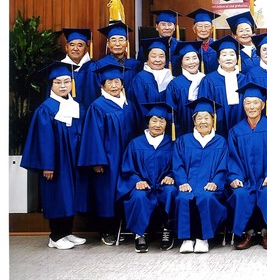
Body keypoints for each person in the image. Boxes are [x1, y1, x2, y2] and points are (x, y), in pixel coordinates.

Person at [21, 62, 86, 250]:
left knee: (70, 195)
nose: (63, 86)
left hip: (72, 159)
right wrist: (47, 165)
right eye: (58, 82)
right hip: (56, 161)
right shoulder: (46, 109)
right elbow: (44, 140)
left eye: (67, 81)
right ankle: (55, 236)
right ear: (51, 85)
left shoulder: (74, 105)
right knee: (57, 195)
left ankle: (67, 232)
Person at [77, 60, 138, 245]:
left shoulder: (128, 105)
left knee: (125, 189)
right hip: (108, 159)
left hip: (126, 157)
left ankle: (123, 227)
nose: (114, 85)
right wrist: (97, 161)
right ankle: (106, 230)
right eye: (109, 82)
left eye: (117, 81)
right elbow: (92, 136)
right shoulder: (98, 106)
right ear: (102, 85)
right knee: (106, 193)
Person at [226, 83, 267, 251]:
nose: (251, 107)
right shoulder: (235, 131)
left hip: (266, 178)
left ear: (263, 105)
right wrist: (235, 177)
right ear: (243, 106)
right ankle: (248, 233)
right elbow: (233, 158)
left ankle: (266, 233)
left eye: (255, 102)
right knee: (241, 194)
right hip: (246, 179)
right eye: (248, 103)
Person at [117, 102, 177, 253]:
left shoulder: (172, 144)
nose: (158, 125)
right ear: (148, 122)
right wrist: (137, 181)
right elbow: (127, 169)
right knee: (138, 196)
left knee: (171, 192)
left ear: (167, 124)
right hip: (143, 185)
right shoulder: (135, 144)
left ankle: (167, 229)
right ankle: (140, 233)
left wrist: (171, 176)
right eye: (154, 120)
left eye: (162, 121)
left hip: (163, 185)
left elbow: (178, 166)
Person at [173, 99, 229, 254]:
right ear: (194, 121)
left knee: (207, 197)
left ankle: (203, 238)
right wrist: (182, 182)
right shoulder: (183, 141)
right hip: (188, 184)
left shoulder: (220, 142)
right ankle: (187, 238)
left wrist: (216, 182)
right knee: (183, 197)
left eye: (206, 118)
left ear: (213, 120)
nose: (203, 122)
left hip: (210, 186)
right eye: (199, 118)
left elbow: (223, 167)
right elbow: (177, 165)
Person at [197, 35, 248, 136]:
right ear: (218, 60)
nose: (228, 58)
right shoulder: (209, 80)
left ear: (237, 58)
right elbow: (205, 108)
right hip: (218, 127)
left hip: (242, 127)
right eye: (224, 55)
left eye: (232, 54)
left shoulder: (244, 79)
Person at [90, 22, 141, 101]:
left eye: (121, 39)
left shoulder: (135, 65)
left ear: (126, 43)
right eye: (113, 40)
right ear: (108, 44)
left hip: (131, 107)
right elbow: (95, 93)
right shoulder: (99, 65)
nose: (117, 44)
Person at [131, 37, 174, 130]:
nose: (157, 60)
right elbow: (140, 107)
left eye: (161, 56)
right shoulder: (140, 79)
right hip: (147, 128)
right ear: (147, 58)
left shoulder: (171, 78)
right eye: (153, 56)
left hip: (169, 127)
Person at [165, 40, 206, 136]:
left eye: (194, 58)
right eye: (187, 59)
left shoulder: (206, 80)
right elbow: (171, 112)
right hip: (182, 132)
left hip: (205, 130)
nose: (192, 62)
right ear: (181, 63)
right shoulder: (175, 84)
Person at [60, 27, 98, 106]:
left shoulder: (94, 68)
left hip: (90, 111)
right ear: (66, 47)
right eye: (72, 45)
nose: (75, 48)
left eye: (80, 45)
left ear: (86, 49)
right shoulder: (59, 68)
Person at [186, 8, 220, 74]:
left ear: (212, 29)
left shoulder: (219, 45)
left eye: (207, 26)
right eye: (200, 26)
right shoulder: (190, 48)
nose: (203, 30)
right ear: (194, 29)